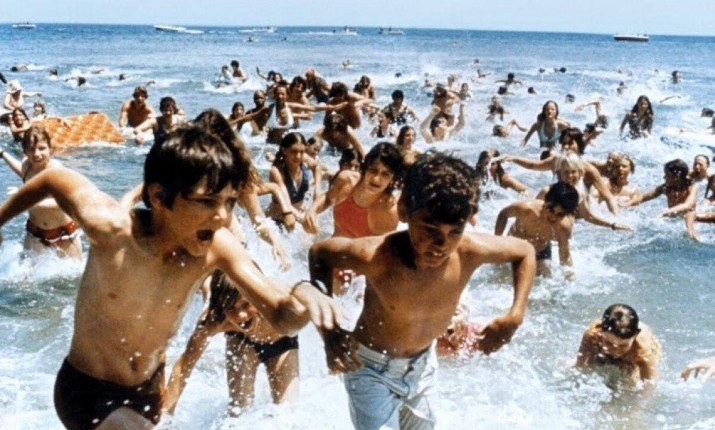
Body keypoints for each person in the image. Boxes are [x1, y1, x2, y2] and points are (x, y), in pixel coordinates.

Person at [0, 126, 340, 429]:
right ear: (159, 196)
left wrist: (306, 293)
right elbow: (52, 180)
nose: (222, 217)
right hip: (87, 391)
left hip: (149, 393)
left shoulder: (218, 247)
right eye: (206, 201)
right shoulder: (113, 229)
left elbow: (282, 317)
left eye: (229, 202)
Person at [308, 151, 536, 430]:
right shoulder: (377, 255)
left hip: (423, 367)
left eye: (454, 231)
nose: (441, 244)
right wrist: (330, 332)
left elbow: (525, 251)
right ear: (404, 211)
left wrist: (514, 316)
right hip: (369, 368)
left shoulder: (469, 251)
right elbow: (319, 252)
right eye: (430, 229)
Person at [164, 270, 299, 416]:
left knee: (287, 413)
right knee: (239, 412)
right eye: (230, 308)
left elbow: (312, 301)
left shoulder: (280, 298)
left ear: (257, 295)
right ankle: (205, 281)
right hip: (242, 342)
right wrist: (165, 417)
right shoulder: (214, 320)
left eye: (246, 304)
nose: (241, 315)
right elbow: (183, 367)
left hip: (282, 343)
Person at [0, 125, 82, 259]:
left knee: (74, 271)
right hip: (35, 233)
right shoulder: (26, 165)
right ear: (24, 151)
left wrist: (23, 197)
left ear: (50, 149)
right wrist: (3, 154)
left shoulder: (55, 170)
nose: (36, 154)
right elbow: (23, 174)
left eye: (42, 148)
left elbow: (65, 202)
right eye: (31, 149)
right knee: (25, 272)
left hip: (64, 234)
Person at [305, 142, 404, 238]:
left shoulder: (388, 212)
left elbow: (382, 248)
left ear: (393, 179)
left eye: (385, 174)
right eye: (373, 170)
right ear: (365, 168)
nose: (376, 179)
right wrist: (312, 210)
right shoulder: (346, 180)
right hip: (332, 245)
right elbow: (328, 198)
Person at [495, 181, 579, 278]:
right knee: (502, 277)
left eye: (560, 214)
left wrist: (569, 278)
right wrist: (497, 241)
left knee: (547, 278)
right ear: (546, 201)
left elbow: (565, 255)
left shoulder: (563, 227)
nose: (553, 217)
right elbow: (503, 214)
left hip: (540, 252)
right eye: (550, 209)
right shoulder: (527, 210)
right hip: (513, 246)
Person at [576, 304, 660, 383]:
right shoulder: (592, 335)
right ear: (601, 331)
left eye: (622, 345)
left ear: (635, 336)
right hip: (609, 337)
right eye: (609, 343)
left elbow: (649, 386)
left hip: (639, 351)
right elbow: (580, 368)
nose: (615, 350)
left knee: (629, 380)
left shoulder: (642, 350)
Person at [622, 159, 698, 238]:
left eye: (666, 174)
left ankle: (692, 233)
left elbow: (687, 205)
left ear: (676, 176)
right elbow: (643, 197)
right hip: (673, 218)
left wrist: (663, 213)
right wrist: (627, 204)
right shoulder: (666, 187)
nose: (664, 177)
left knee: (690, 214)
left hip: (689, 218)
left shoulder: (691, 187)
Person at [265, 132, 322, 229]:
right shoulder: (277, 171)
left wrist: (317, 189)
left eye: (302, 151)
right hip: (276, 223)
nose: (298, 156)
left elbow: (317, 166)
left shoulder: (303, 158)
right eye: (294, 151)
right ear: (284, 150)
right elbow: (286, 203)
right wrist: (304, 220)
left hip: (298, 217)